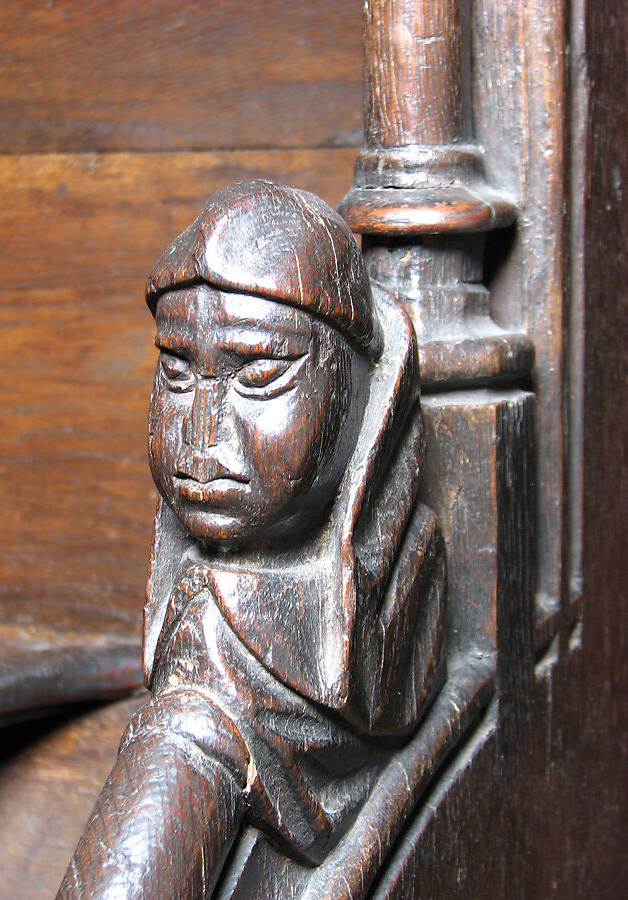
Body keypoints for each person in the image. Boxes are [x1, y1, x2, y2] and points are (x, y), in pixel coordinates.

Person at [57, 180, 446, 900]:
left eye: (259, 375)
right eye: (176, 371)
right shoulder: (197, 651)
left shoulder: (403, 581)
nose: (200, 437)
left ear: (363, 394)